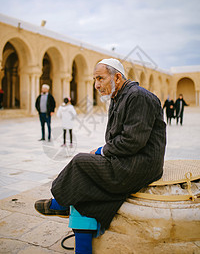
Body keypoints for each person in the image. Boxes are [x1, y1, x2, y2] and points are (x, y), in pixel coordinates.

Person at [35, 58, 166, 233]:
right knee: (83, 195)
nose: (96, 85)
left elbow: (132, 141)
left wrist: (101, 151)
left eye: (100, 78)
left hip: (140, 165)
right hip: (129, 159)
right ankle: (72, 216)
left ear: (117, 78)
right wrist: (103, 152)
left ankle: (59, 204)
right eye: (95, 79)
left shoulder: (138, 96)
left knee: (81, 161)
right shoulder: (118, 97)